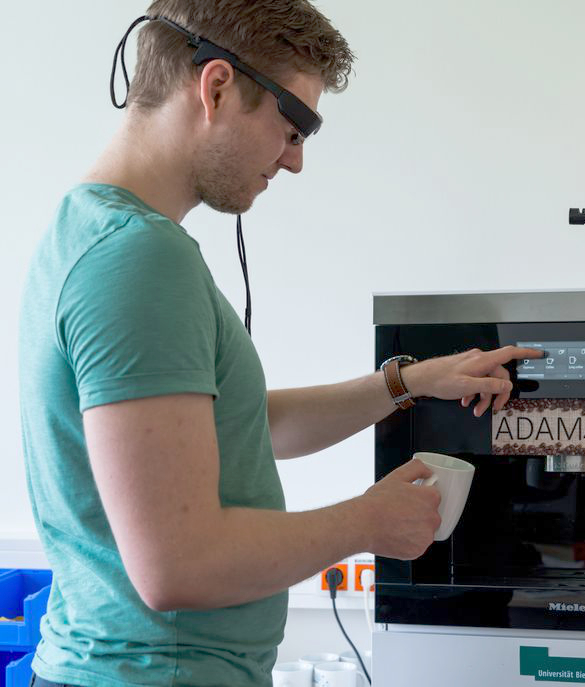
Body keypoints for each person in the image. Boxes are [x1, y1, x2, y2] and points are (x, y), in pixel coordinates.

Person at [18, 1, 542, 685]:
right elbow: (179, 565)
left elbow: (246, 425)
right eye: (291, 126)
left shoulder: (88, 232)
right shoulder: (138, 259)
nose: (293, 160)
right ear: (216, 87)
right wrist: (369, 521)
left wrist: (409, 381)